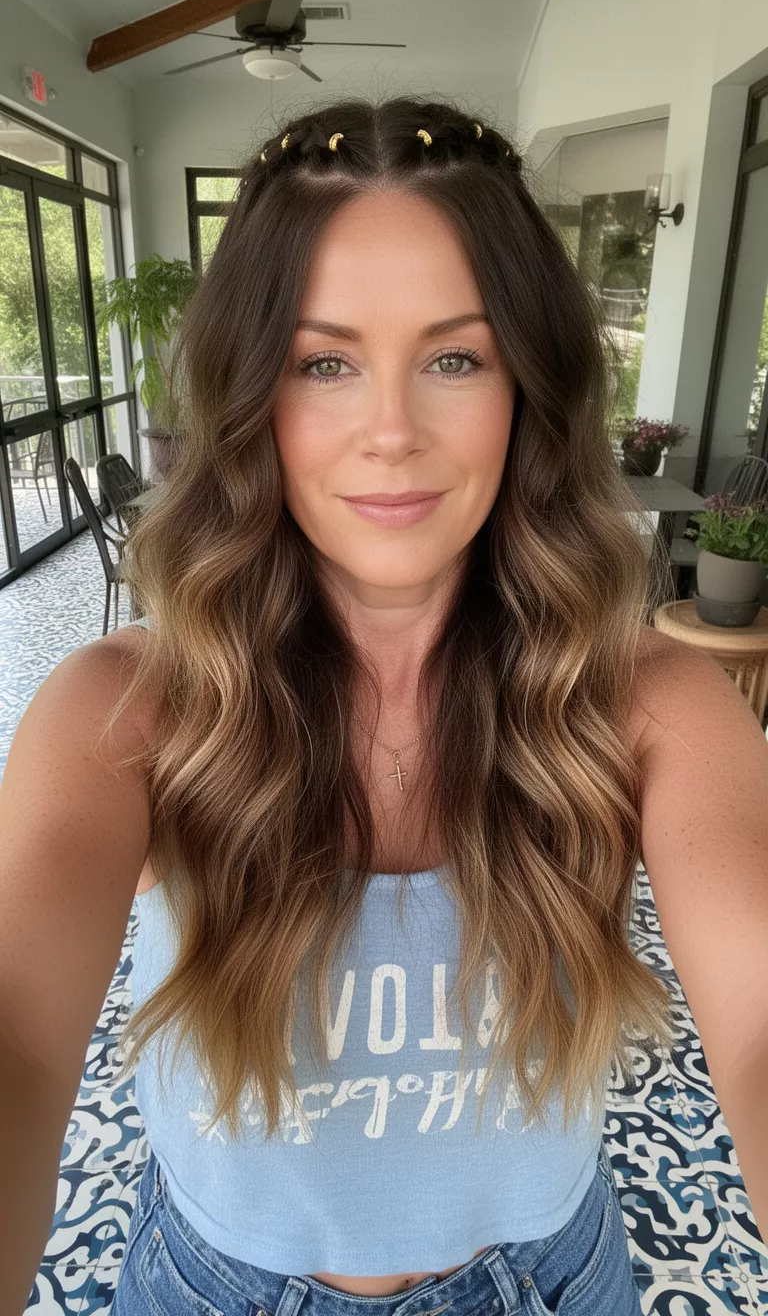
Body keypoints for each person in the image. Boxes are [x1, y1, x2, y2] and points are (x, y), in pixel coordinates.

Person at [3, 93, 768, 1316]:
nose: (393, 432)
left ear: (530, 386)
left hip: (549, 1285)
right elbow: (19, 1044)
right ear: (253, 389)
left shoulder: (649, 705)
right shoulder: (130, 710)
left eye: (455, 358)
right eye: (325, 362)